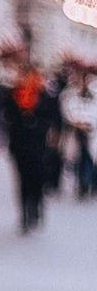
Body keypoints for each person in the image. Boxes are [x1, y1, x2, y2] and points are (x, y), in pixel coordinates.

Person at [2, 66, 60, 232]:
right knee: (22, 181)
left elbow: (53, 118)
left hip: (39, 145)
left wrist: (46, 131)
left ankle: (37, 207)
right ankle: (24, 214)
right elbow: (6, 117)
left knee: (37, 178)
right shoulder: (12, 95)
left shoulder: (44, 95)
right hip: (19, 145)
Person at [60, 65, 97, 199]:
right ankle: (82, 184)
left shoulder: (93, 95)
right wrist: (77, 122)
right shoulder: (70, 94)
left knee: (89, 159)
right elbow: (67, 110)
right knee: (77, 159)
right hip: (76, 132)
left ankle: (89, 183)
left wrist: (89, 123)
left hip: (90, 132)